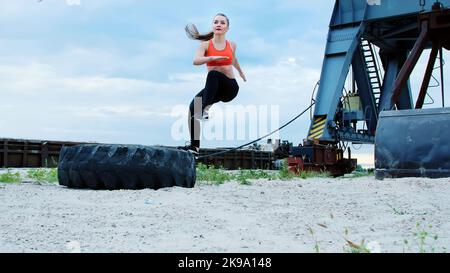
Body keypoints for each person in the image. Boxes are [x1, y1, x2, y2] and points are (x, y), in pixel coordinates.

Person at [179, 13, 246, 155]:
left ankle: (204, 109)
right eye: (216, 22)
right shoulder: (205, 45)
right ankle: (194, 147)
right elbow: (195, 60)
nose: (219, 24)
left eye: (222, 22)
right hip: (213, 89)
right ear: (213, 26)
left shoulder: (232, 45)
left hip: (230, 88)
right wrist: (212, 57)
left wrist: (240, 72)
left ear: (227, 27)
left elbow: (233, 59)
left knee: (213, 74)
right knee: (192, 108)